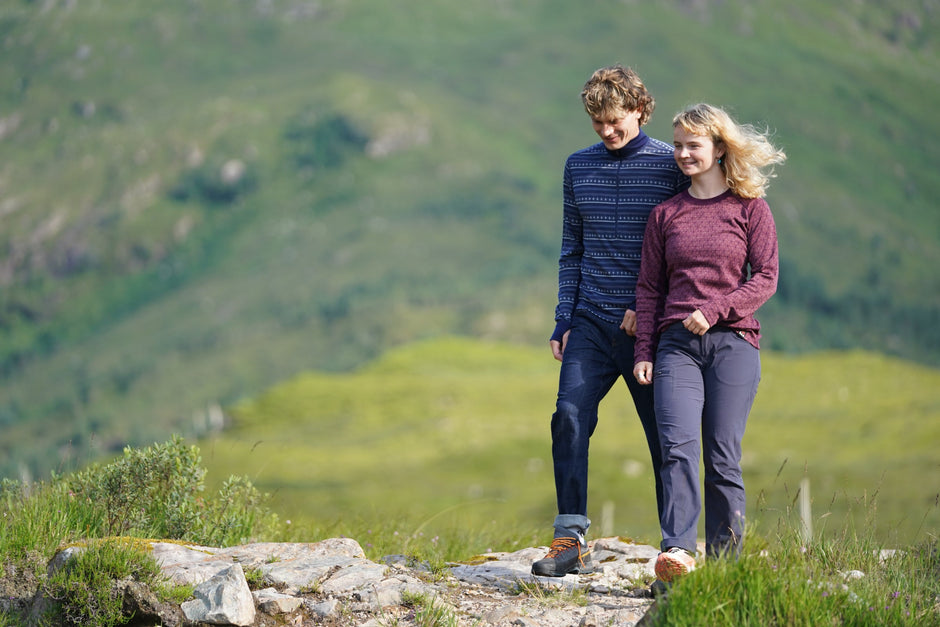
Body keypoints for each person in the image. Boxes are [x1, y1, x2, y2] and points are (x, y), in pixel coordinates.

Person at [531, 65, 689, 578]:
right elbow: (571, 250)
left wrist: (651, 310)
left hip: (650, 328)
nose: (606, 130)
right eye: (597, 121)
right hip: (592, 322)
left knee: (665, 437)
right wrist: (563, 319)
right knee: (568, 418)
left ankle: (675, 550)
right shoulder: (577, 167)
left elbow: (682, 250)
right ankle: (570, 538)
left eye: (615, 120)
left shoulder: (672, 165)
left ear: (641, 111)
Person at [632, 103, 786, 583]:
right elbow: (650, 289)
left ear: (719, 148)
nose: (681, 153)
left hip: (733, 344)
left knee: (722, 454)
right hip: (675, 346)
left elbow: (766, 278)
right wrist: (643, 351)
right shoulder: (665, 215)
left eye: (692, 145)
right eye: (676, 145)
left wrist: (716, 310)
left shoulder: (750, 210)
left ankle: (725, 570)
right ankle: (677, 553)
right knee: (676, 448)